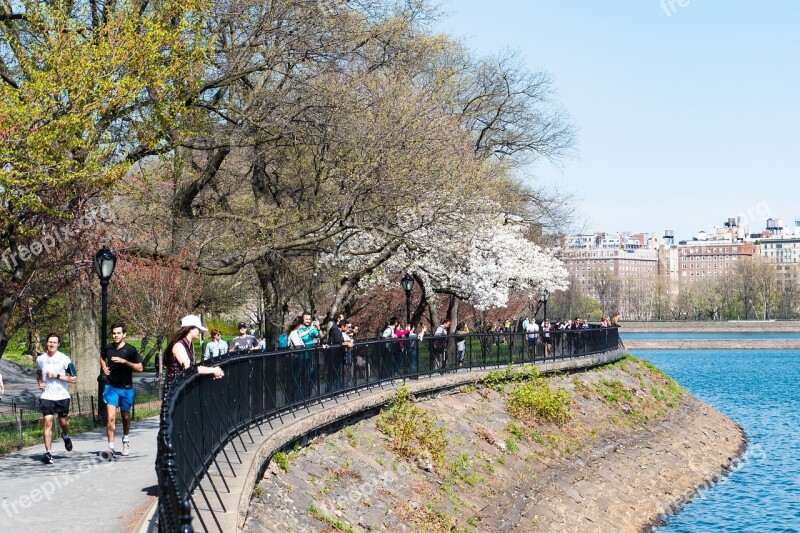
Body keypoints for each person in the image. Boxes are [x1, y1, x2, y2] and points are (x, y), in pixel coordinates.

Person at [99, 322, 142, 459]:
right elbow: (102, 357)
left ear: (124, 334)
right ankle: (111, 447)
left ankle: (126, 440)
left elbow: (140, 368)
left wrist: (125, 362)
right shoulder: (108, 348)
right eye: (114, 333)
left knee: (125, 416)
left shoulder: (131, 350)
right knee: (111, 417)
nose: (116, 335)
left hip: (126, 388)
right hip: (111, 387)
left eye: (118, 333)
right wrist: (104, 367)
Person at [36, 333, 77, 464]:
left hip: (62, 396)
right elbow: (38, 372)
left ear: (58, 344)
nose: (51, 344)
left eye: (54, 342)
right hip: (46, 396)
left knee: (63, 422)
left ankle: (66, 436)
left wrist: (57, 376)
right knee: (48, 422)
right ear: (46, 343)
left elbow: (74, 378)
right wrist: (40, 382)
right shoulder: (40, 359)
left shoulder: (65, 359)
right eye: (49, 342)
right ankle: (48, 453)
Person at [164, 315, 225, 382]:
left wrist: (212, 371)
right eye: (198, 328)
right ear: (190, 329)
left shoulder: (189, 345)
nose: (200, 331)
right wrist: (213, 370)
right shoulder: (179, 345)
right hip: (175, 388)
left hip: (183, 386)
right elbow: (190, 368)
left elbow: (193, 366)